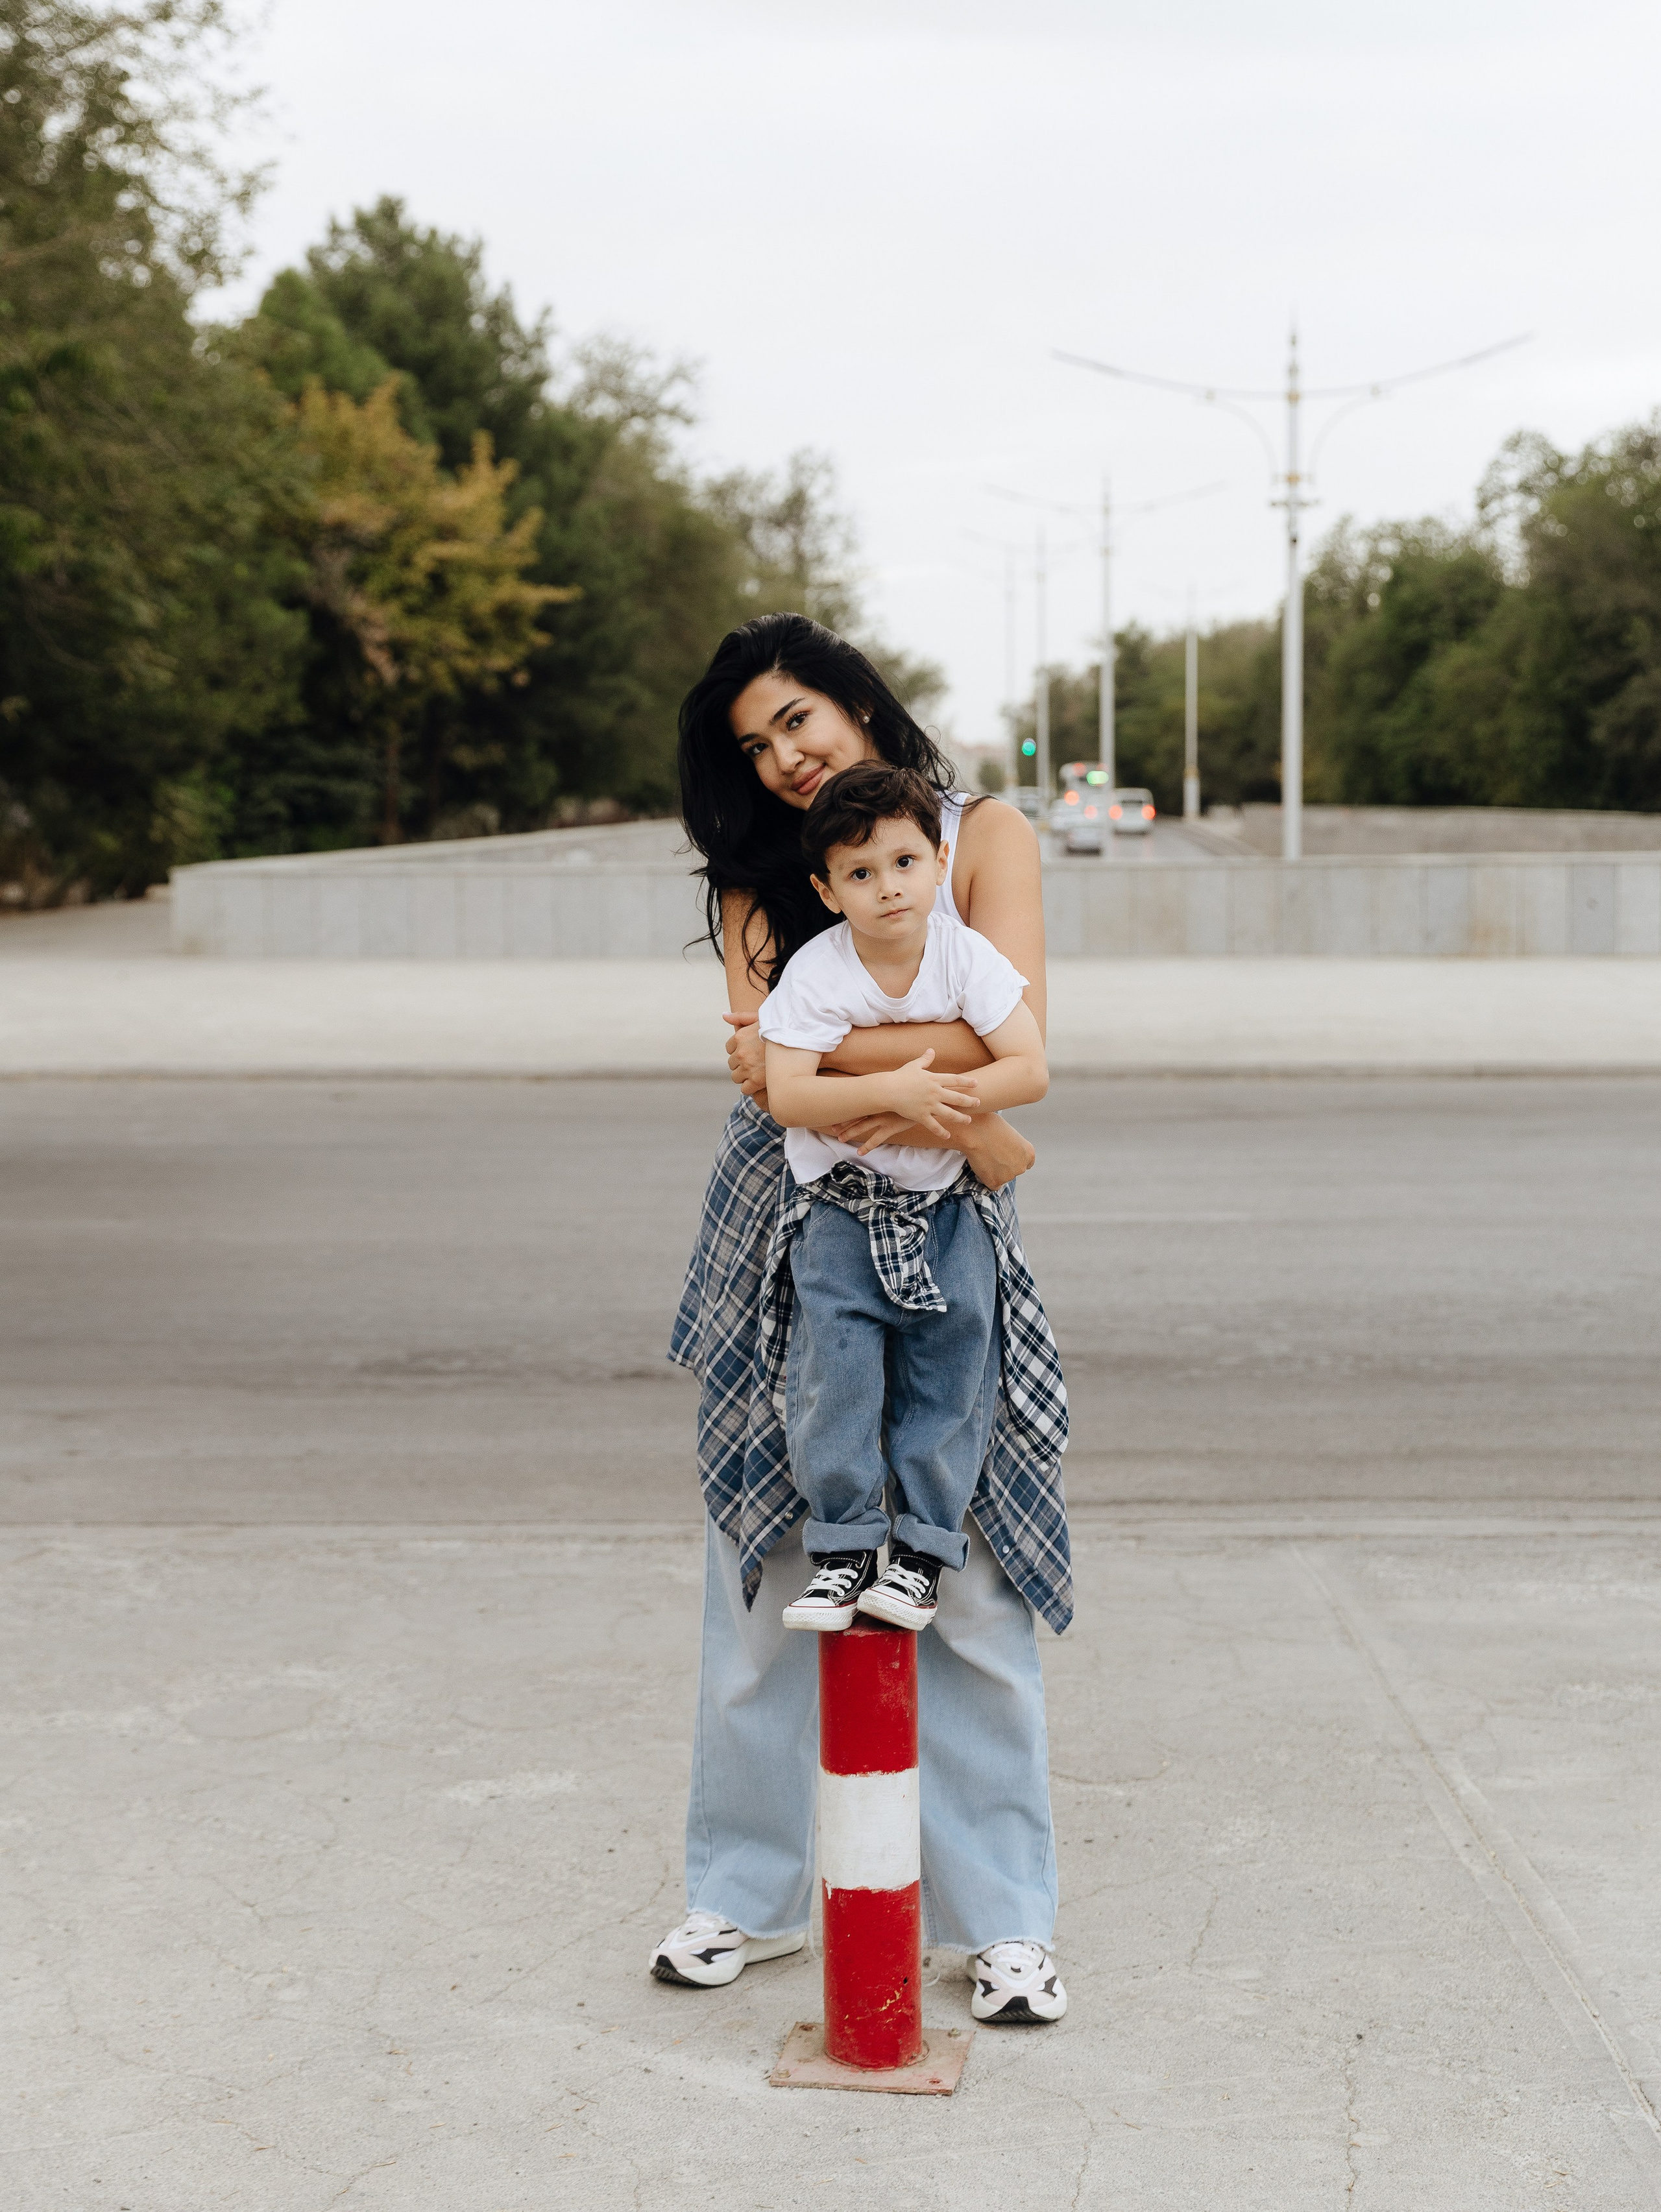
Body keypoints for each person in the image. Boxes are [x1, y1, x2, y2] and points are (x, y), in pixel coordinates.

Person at [652, 614, 1072, 2028]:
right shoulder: (756, 887)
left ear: (852, 699)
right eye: (755, 745)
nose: (782, 757)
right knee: (764, 1548)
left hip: (949, 1207)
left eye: (796, 719)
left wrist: (828, 1054)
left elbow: (1010, 1037)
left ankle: (1004, 1923)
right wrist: (875, 1065)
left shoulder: (980, 832)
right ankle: (743, 1894)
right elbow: (778, 1091)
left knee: (963, 1542)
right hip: (785, 1215)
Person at [757, 760, 1050, 1634]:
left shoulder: (967, 957)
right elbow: (789, 1096)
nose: (887, 888)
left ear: (937, 857)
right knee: (835, 1376)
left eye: (904, 862)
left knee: (949, 1375)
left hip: (947, 1208)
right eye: (859, 872)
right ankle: (844, 1547)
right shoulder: (817, 971)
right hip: (839, 1211)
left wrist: (927, 1107)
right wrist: (898, 1097)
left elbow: (1029, 1068)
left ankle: (921, 1551)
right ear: (827, 887)